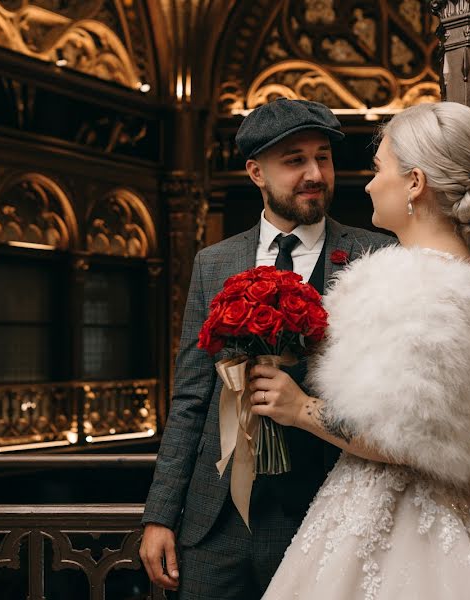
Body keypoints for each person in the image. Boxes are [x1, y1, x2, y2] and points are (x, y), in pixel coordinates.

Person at [249, 101, 470, 599]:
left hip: (401, 518)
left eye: (380, 169)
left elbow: (396, 436)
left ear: (414, 183)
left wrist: (300, 408)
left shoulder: (425, 292)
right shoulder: (466, 281)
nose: (371, 184)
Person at [140, 98, 395, 599]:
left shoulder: (374, 255)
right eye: (295, 160)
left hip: (321, 514)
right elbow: (191, 398)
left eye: (323, 157)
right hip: (214, 527)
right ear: (256, 171)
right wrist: (160, 515)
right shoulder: (214, 263)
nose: (315, 173)